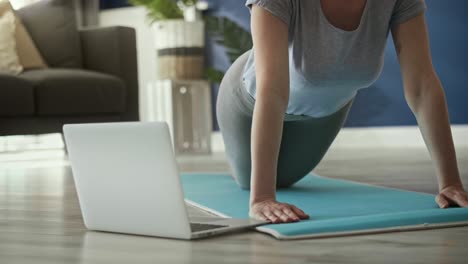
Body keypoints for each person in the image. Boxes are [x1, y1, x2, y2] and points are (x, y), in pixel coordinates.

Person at [215, 0, 468, 224]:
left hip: (324, 115)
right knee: (248, 182)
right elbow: (273, 90)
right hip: (249, 102)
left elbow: (422, 86)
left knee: (286, 181)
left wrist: (451, 183)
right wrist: (262, 198)